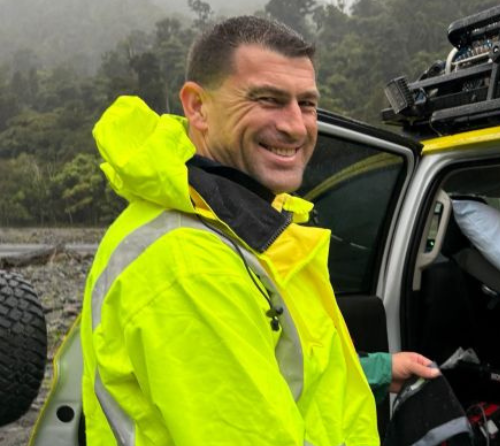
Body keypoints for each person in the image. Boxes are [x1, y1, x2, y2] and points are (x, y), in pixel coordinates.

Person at [82, 16, 437, 446]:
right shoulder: (190, 265)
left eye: (306, 104)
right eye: (268, 99)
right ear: (197, 107)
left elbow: (278, 371)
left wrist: (378, 370)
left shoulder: (242, 223)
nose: (295, 126)